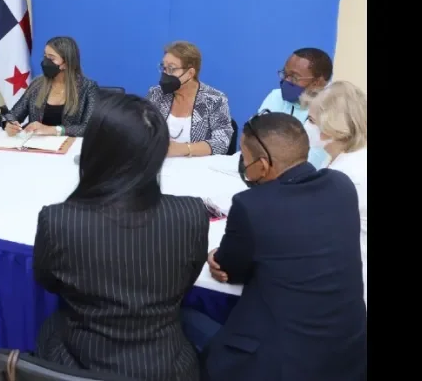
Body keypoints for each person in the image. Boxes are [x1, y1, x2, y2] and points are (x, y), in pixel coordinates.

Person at [34, 92, 208, 381]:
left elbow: (48, 282)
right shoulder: (191, 213)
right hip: (168, 366)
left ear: (93, 150)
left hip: (78, 363)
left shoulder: (59, 219)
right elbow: (187, 279)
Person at [200, 112, 366, 381]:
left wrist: (214, 256)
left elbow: (230, 269)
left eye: (244, 154)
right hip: (349, 356)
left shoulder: (250, 205)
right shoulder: (342, 186)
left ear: (263, 165)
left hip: (280, 366)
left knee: (189, 323)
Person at [304, 81, 367, 306]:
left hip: (346, 289)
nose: (306, 126)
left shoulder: (347, 175)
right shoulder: (350, 157)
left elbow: (311, 230)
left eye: (311, 121)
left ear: (332, 126)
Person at [146, 41, 233, 157]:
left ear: (190, 73)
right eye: (164, 67)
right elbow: (142, 130)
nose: (165, 74)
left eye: (171, 69)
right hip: (158, 165)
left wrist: (182, 149)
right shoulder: (156, 94)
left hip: (197, 169)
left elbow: (222, 142)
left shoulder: (214, 99)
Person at [4, 36, 98, 137]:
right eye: (45, 56)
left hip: (69, 147)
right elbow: (13, 114)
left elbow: (88, 128)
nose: (45, 62)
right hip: (35, 145)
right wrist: (9, 124)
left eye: (51, 58)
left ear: (66, 63)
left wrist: (52, 130)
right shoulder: (37, 84)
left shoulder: (88, 87)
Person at [258, 47, 333, 167]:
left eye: (294, 77)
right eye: (285, 74)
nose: (286, 80)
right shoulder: (276, 96)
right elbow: (255, 139)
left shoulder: (331, 110)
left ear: (317, 82)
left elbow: (314, 161)